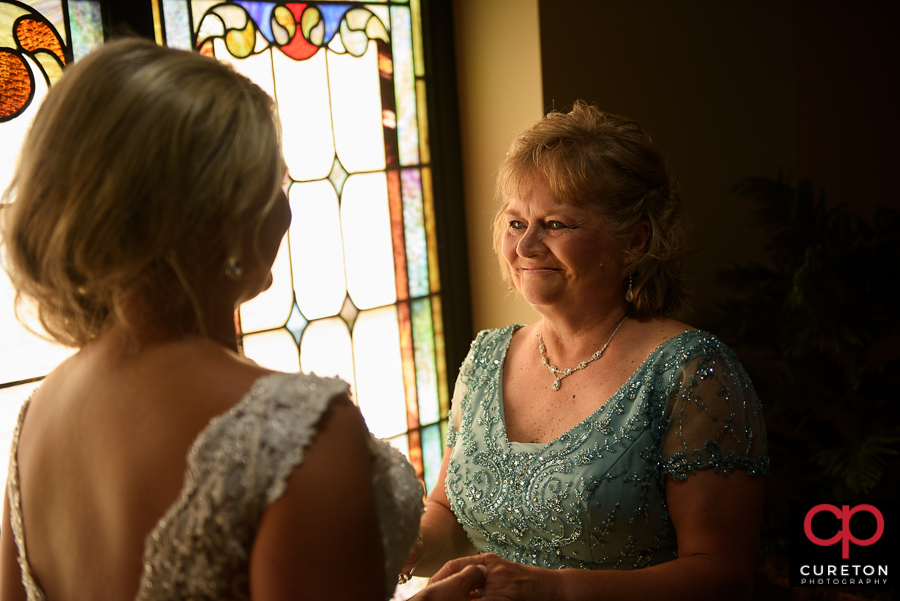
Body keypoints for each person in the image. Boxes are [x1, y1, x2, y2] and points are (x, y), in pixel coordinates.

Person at [0, 38, 479, 601]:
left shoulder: (37, 418)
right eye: (274, 181)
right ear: (224, 213)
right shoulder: (292, 432)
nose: (286, 208)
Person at [402, 102, 769, 600]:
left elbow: (721, 575)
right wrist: (398, 543)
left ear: (634, 240)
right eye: (515, 223)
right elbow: (448, 514)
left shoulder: (693, 372)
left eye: (555, 224)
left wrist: (555, 590)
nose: (526, 247)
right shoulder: (487, 356)